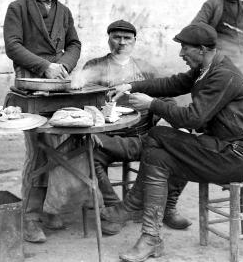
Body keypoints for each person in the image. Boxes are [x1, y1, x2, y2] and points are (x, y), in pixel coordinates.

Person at [103, 22, 243, 262]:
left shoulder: (222, 75)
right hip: (217, 148)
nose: (181, 54)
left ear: (201, 49)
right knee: (157, 157)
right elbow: (172, 84)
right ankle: (151, 238)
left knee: (157, 135)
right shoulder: (206, 68)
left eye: (184, 48)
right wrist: (130, 86)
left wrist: (152, 104)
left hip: (233, 158)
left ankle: (132, 204)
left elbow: (194, 119)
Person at [82, 20, 191, 235]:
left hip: (145, 137)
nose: (121, 43)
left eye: (127, 38)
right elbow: (81, 103)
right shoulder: (94, 67)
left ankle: (168, 207)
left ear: (134, 41)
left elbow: (166, 99)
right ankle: (116, 208)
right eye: (116, 37)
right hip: (110, 137)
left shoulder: (146, 69)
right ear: (108, 38)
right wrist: (91, 127)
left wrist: (175, 121)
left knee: (184, 148)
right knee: (87, 156)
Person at [3, 0, 81, 243]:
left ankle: (51, 209)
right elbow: (13, 45)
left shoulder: (65, 12)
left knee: (63, 150)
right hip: (28, 93)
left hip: (58, 92)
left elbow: (74, 43)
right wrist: (44, 66)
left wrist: (65, 66)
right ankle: (30, 218)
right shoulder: (18, 8)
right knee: (38, 154)